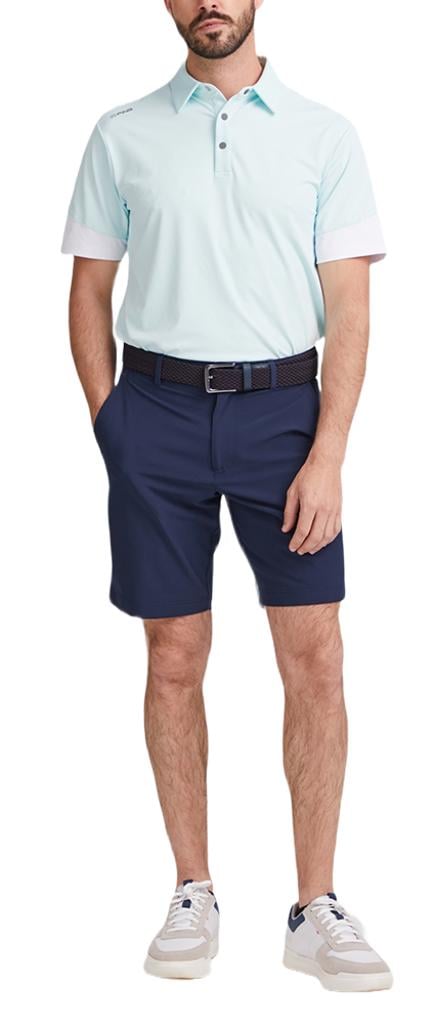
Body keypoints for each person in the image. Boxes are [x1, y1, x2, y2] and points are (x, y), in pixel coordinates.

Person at [60, 0, 392, 991]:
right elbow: (88, 291)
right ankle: (191, 888)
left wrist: (328, 452)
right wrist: (112, 425)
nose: (208, 1)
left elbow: (349, 306)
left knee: (315, 656)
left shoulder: (325, 135)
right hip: (154, 413)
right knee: (173, 654)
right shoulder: (120, 134)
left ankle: (315, 905)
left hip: (283, 415)